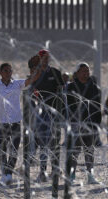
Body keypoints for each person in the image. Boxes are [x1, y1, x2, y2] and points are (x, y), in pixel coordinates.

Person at [0, 63, 40, 186]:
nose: (8, 73)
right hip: (1, 123)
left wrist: (37, 70)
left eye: (10, 71)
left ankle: (8, 174)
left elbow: (31, 80)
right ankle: (5, 174)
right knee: (2, 150)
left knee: (14, 149)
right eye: (5, 71)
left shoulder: (17, 84)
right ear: (0, 72)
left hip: (15, 122)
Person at [29, 50, 65, 183]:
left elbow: (62, 90)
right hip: (40, 113)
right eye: (43, 58)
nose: (45, 60)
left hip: (55, 112)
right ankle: (42, 171)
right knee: (42, 142)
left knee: (55, 142)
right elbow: (30, 91)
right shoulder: (36, 74)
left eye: (47, 58)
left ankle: (55, 170)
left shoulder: (55, 73)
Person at [66, 62, 102, 184]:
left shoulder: (94, 88)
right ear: (77, 73)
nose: (86, 73)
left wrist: (97, 125)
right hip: (76, 123)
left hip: (90, 123)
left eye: (87, 71)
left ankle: (90, 176)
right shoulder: (71, 87)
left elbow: (97, 108)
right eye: (83, 71)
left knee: (89, 150)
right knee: (74, 151)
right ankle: (71, 176)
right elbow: (68, 107)